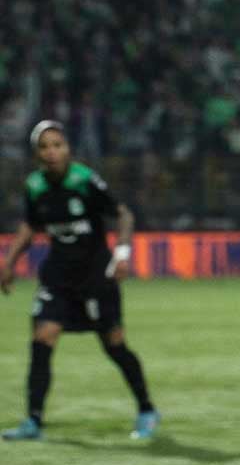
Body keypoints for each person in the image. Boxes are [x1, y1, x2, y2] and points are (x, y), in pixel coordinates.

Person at [1, 120, 159, 441]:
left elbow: (123, 214)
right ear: (37, 153)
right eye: (44, 147)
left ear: (68, 148)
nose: (52, 152)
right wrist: (9, 262)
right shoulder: (35, 186)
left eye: (57, 145)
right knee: (42, 338)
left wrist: (123, 253)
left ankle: (146, 408)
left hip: (95, 277)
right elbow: (31, 226)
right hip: (58, 276)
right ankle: (33, 420)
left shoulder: (85, 181)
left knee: (114, 345)